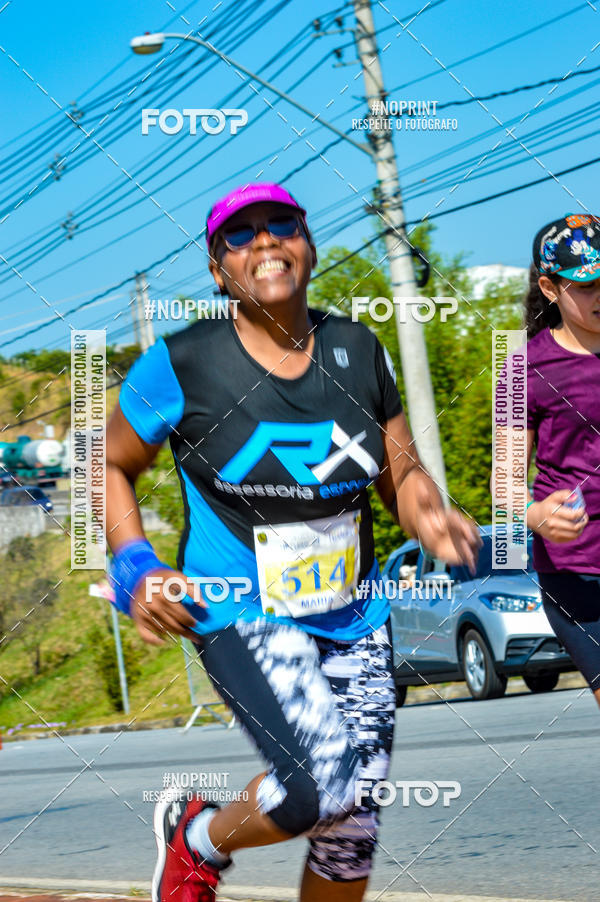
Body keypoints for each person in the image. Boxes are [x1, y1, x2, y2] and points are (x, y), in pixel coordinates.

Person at [106, 182, 480, 902]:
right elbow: (112, 463)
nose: (266, 242)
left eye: (282, 224)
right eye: (240, 236)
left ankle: (202, 839)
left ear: (308, 244)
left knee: (350, 832)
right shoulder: (182, 363)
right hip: (240, 604)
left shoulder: (357, 348)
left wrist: (426, 512)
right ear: (218, 271)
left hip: (355, 614)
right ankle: (197, 840)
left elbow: (399, 474)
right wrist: (134, 565)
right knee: (318, 789)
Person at [524, 214, 600, 704]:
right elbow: (505, 480)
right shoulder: (520, 367)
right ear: (551, 288)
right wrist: (533, 515)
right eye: (586, 284)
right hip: (578, 572)